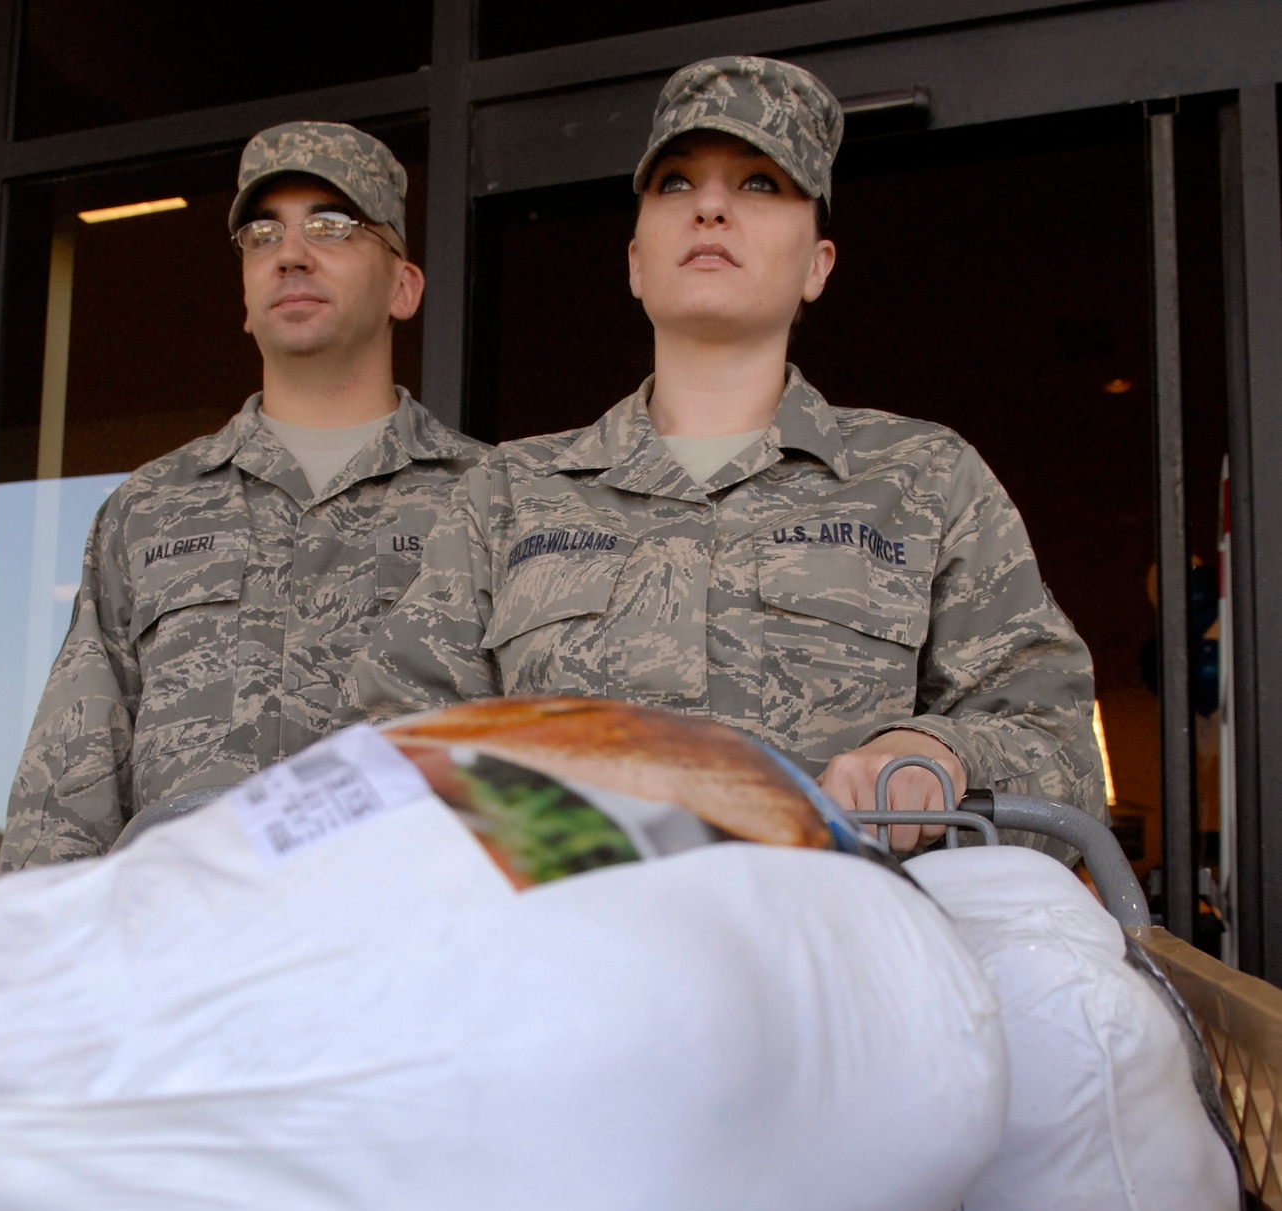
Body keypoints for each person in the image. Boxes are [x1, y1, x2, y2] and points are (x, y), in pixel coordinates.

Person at [375, 58, 1101, 848]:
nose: (711, 206)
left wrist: (934, 755)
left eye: (759, 183)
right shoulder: (507, 494)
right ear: (634, 261)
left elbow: (1057, 755)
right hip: (573, 950)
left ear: (818, 266)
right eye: (676, 184)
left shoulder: (924, 481)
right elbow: (388, 756)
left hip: (829, 951)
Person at [0, 121, 483, 870]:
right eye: (262, 235)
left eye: (332, 226)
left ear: (403, 286)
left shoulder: (492, 499)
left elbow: (541, 761)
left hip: (405, 954)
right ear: (245, 298)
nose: (290, 254)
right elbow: (69, 786)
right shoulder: (150, 508)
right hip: (185, 952)